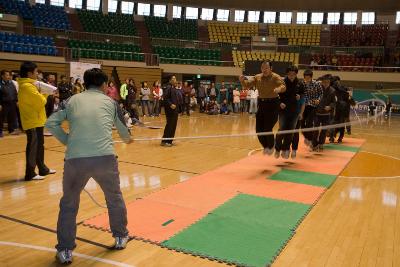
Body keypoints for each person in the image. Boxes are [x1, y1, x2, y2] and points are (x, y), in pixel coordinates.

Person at [45, 68, 131, 264]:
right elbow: (124, 131)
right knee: (114, 197)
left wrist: (68, 141)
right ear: (103, 85)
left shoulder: (71, 101)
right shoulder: (111, 102)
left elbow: (50, 123)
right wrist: (128, 139)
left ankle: (65, 250)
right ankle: (120, 236)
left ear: (85, 83)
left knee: (69, 204)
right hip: (105, 159)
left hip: (76, 160)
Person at [17, 61, 56, 181]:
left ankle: (42, 168)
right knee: (33, 146)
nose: (37, 74)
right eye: (36, 72)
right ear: (29, 73)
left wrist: (42, 92)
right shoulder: (26, 86)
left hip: (37, 120)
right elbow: (41, 102)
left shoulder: (32, 85)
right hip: (32, 121)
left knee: (39, 146)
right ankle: (30, 173)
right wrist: (45, 93)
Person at [240, 60, 286, 155]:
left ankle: (271, 145)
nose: (264, 70)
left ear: (271, 68)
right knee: (258, 130)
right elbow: (247, 85)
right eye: (262, 68)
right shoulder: (257, 77)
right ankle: (266, 146)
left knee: (267, 128)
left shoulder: (275, 77)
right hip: (261, 104)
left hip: (273, 104)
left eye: (266, 68)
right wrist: (242, 81)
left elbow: (283, 86)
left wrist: (279, 89)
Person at [275, 66, 304, 159]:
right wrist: (280, 103)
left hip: (295, 111)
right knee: (281, 130)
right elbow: (275, 96)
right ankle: (277, 149)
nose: (292, 76)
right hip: (283, 111)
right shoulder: (281, 83)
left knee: (291, 132)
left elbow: (303, 98)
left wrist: (299, 97)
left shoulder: (300, 84)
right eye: (290, 74)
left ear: (296, 74)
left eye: (294, 74)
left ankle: (286, 149)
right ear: (287, 74)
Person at [311, 74, 336, 151]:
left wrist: (330, 106)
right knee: (315, 130)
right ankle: (314, 144)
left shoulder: (332, 91)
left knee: (324, 131)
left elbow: (334, 102)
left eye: (327, 82)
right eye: (324, 82)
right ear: (322, 82)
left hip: (326, 114)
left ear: (329, 83)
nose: (326, 84)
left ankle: (321, 143)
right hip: (317, 113)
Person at [302, 69, 323, 147]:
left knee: (309, 123)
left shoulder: (316, 84)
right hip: (304, 106)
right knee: (302, 123)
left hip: (313, 106)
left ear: (311, 77)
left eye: (308, 77)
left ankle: (310, 140)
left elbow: (321, 94)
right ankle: (309, 138)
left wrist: (318, 100)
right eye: (305, 77)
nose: (307, 79)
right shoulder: (302, 84)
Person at [161, 75, 182, 147]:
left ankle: (169, 141)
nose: (175, 80)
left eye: (175, 78)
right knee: (170, 125)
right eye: (173, 78)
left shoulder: (173, 88)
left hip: (175, 110)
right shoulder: (168, 88)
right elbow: (165, 98)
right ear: (170, 80)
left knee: (173, 125)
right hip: (170, 110)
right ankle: (165, 141)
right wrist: (171, 105)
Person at [0, 70, 19, 137]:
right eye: (7, 75)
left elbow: (15, 92)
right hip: (4, 103)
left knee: (12, 117)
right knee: (1, 118)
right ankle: (0, 131)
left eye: (9, 75)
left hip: (12, 102)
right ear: (2, 76)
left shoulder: (11, 83)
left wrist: (16, 101)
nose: (8, 77)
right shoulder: (0, 84)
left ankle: (11, 130)